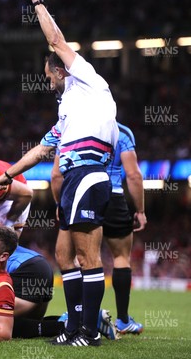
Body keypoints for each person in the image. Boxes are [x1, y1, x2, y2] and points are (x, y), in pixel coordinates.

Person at [0, 0, 119, 347]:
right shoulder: (68, 112)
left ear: (61, 70)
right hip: (75, 181)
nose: (48, 83)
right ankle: (74, 326)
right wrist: (7, 174)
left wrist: (36, 1)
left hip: (88, 174)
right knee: (65, 253)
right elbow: (42, 149)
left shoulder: (88, 82)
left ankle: (90, 331)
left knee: (86, 254)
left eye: (49, 76)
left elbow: (56, 39)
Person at [51, 122, 147, 335]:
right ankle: (122, 320)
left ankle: (78, 316)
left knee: (77, 257)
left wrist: (60, 203)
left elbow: (56, 175)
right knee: (121, 257)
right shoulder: (122, 132)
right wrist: (140, 210)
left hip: (80, 193)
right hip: (112, 194)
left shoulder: (71, 127)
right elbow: (133, 175)